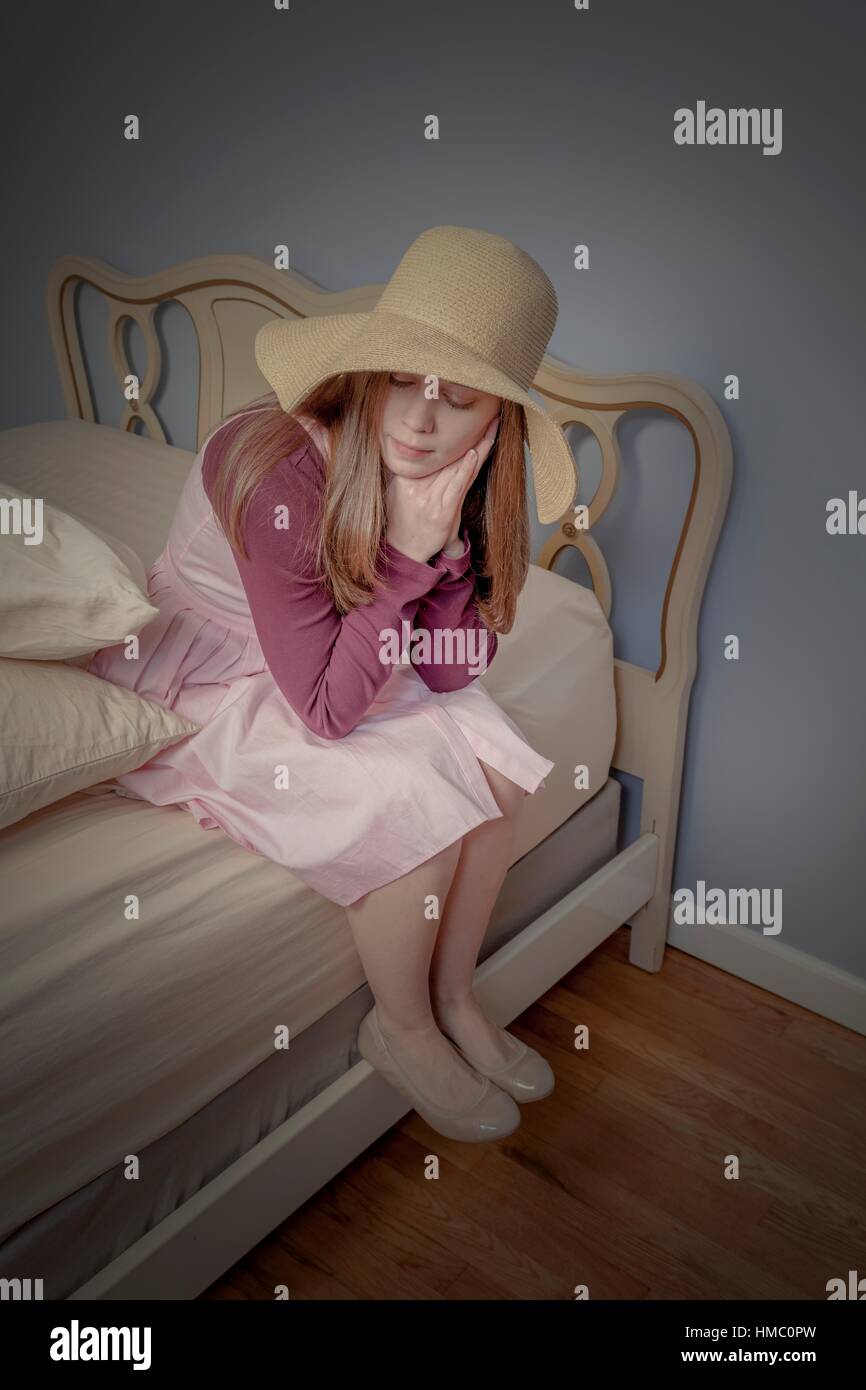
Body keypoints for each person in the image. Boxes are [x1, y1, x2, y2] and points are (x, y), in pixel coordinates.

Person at [87, 225, 577, 1143]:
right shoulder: (271, 466)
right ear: (366, 366)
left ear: (494, 425)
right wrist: (404, 560)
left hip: (342, 652)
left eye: (459, 400)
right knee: (412, 807)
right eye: (401, 378)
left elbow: (441, 668)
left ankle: (452, 993)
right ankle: (400, 1029)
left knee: (499, 766)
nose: (420, 423)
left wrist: (448, 554)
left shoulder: (440, 482)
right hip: (221, 675)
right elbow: (323, 711)